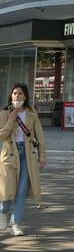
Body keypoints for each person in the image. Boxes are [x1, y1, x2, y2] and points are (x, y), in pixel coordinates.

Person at [0, 84, 46, 237]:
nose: (17, 96)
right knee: (6, 192)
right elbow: (1, 136)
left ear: (25, 96)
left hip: (27, 155)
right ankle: (3, 212)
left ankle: (16, 223)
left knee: (21, 192)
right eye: (14, 93)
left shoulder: (31, 114)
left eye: (20, 93)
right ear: (11, 96)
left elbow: (40, 136)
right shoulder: (5, 113)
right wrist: (11, 120)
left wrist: (42, 155)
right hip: (9, 156)